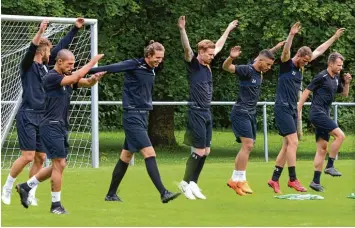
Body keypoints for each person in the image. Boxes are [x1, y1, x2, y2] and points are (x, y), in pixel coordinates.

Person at [2, 18, 85, 206]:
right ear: (43, 51)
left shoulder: (47, 69)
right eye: (50, 50)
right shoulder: (27, 67)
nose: (53, 54)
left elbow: (63, 46)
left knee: (41, 157)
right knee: (28, 156)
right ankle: (6, 188)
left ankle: (29, 193)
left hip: (43, 117)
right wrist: (40, 32)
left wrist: (75, 29)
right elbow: (32, 49)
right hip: (27, 115)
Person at [87, 41, 181, 204]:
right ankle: (163, 192)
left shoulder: (152, 69)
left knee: (126, 156)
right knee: (149, 153)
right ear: (148, 55)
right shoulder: (134, 64)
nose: (160, 61)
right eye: (157, 57)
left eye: (161, 58)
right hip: (132, 116)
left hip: (142, 115)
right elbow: (110, 68)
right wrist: (80, 72)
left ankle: (111, 194)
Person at [16, 49, 105, 214]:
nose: (72, 66)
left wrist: (93, 79)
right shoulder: (51, 77)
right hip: (50, 126)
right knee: (59, 164)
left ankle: (26, 186)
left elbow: (83, 82)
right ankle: (56, 206)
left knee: (60, 164)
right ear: (59, 62)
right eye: (69, 64)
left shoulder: (67, 78)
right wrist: (92, 62)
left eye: (73, 64)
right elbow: (75, 77)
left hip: (61, 126)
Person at [267, 22, 345, 194]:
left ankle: (274, 179)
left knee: (287, 145)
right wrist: (291, 34)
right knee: (294, 142)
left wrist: (334, 37)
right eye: (304, 60)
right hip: (283, 107)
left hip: (292, 109)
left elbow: (319, 50)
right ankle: (293, 179)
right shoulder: (287, 64)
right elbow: (286, 51)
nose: (306, 64)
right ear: (298, 55)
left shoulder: (303, 64)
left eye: (308, 61)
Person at [177, 15, 238, 200]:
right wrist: (182, 29)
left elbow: (218, 45)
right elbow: (187, 49)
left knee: (207, 151)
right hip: (196, 110)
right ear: (201, 52)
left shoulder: (207, 63)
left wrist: (228, 29)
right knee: (199, 150)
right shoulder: (194, 64)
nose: (213, 56)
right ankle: (185, 183)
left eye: (213, 54)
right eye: (209, 54)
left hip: (206, 111)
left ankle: (194, 183)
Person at [223, 46, 275, 196]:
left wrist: (278, 46)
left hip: (250, 114)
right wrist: (231, 57)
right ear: (260, 61)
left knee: (247, 147)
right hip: (241, 112)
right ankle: (242, 179)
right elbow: (226, 67)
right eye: (268, 65)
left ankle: (234, 180)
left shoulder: (259, 70)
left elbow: (265, 53)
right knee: (248, 145)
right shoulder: (247, 70)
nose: (269, 68)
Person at [298, 52, 352, 192]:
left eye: (341, 65)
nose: (340, 68)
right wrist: (298, 109)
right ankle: (330, 166)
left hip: (324, 114)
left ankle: (315, 182)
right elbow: (307, 91)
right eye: (338, 65)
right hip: (317, 113)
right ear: (331, 63)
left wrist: (347, 82)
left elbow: (345, 94)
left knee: (322, 148)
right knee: (340, 136)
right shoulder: (321, 76)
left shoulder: (336, 78)